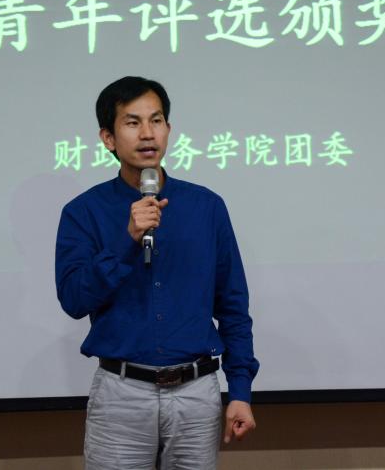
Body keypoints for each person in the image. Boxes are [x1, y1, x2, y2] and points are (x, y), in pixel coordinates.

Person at [55, 76, 258, 469]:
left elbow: (233, 306)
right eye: (132, 123)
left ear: (168, 129)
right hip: (121, 397)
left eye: (157, 120)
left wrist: (240, 390)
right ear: (108, 138)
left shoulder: (206, 207)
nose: (147, 133)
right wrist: (126, 240)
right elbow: (74, 300)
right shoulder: (84, 212)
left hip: (196, 396)